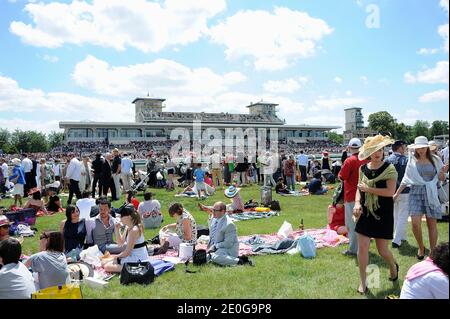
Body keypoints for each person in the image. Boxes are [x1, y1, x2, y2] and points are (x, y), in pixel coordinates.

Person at [353, 135, 399, 294]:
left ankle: (393, 265)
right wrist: (358, 203)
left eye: (380, 149)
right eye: (373, 150)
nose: (377, 153)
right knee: (363, 247)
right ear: (368, 153)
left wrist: (369, 189)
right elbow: (359, 189)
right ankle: (363, 282)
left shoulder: (389, 168)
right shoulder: (362, 169)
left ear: (384, 150)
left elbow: (390, 192)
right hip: (365, 212)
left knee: (382, 251)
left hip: (383, 213)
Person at [399, 136, 448, 260]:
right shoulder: (412, 160)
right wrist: (396, 194)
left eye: (423, 147)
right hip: (415, 192)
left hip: (431, 193)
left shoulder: (436, 160)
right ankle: (421, 247)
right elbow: (406, 179)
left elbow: (441, 179)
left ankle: (432, 252)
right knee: (415, 223)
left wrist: (442, 174)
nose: (420, 150)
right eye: (418, 148)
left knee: (432, 224)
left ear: (427, 147)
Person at [338, 138, 369, 257]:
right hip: (367, 194)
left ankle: (353, 249)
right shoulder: (367, 160)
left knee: (352, 224)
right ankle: (363, 247)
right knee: (364, 223)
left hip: (352, 195)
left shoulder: (349, 160)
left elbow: (342, 176)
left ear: (350, 148)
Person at [101, 204, 149, 273]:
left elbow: (127, 252)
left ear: (129, 217)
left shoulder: (134, 230)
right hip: (131, 256)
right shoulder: (128, 227)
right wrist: (117, 229)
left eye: (121, 216)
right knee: (103, 262)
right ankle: (124, 266)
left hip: (138, 259)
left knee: (107, 266)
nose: (120, 218)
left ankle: (132, 268)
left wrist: (116, 257)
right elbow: (120, 243)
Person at [207, 202, 253, 266]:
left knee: (215, 257)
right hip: (216, 248)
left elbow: (228, 244)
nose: (213, 212)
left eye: (215, 210)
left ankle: (241, 261)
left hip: (228, 249)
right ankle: (212, 256)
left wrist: (215, 246)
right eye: (212, 210)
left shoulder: (229, 224)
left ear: (223, 211)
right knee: (201, 258)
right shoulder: (213, 218)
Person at [386, 140, 410, 249]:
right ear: (400, 148)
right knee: (402, 216)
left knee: (395, 215)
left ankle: (401, 236)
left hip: (390, 191)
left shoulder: (386, 160)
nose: (404, 149)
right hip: (404, 190)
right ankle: (397, 240)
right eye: (404, 147)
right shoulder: (406, 160)